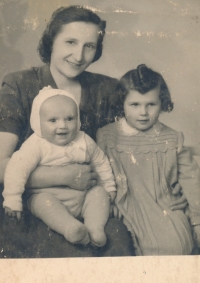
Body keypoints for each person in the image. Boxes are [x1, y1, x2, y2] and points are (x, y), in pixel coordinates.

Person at [0, 6, 185, 257]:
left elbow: (139, 131)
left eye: (89, 46)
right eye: (70, 42)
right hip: (32, 202)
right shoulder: (19, 84)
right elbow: (2, 165)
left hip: (91, 200)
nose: (79, 55)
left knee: (116, 241)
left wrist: (168, 151)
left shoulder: (106, 89)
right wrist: (63, 175)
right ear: (50, 41)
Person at [97, 64, 200, 255]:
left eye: (151, 105)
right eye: (134, 105)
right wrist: (106, 202)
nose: (143, 113)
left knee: (176, 246)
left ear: (162, 103)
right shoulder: (106, 137)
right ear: (122, 104)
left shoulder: (172, 138)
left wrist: (197, 219)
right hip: (122, 210)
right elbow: (97, 173)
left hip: (164, 209)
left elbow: (192, 182)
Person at [3, 86, 117, 247]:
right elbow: (16, 169)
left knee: (99, 193)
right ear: (38, 122)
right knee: (42, 202)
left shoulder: (83, 140)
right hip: (50, 198)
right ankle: (71, 228)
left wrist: (109, 187)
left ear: (78, 120)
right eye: (53, 120)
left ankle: (94, 228)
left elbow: (101, 162)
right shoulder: (36, 144)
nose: (62, 125)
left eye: (69, 119)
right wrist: (12, 198)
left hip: (82, 197)